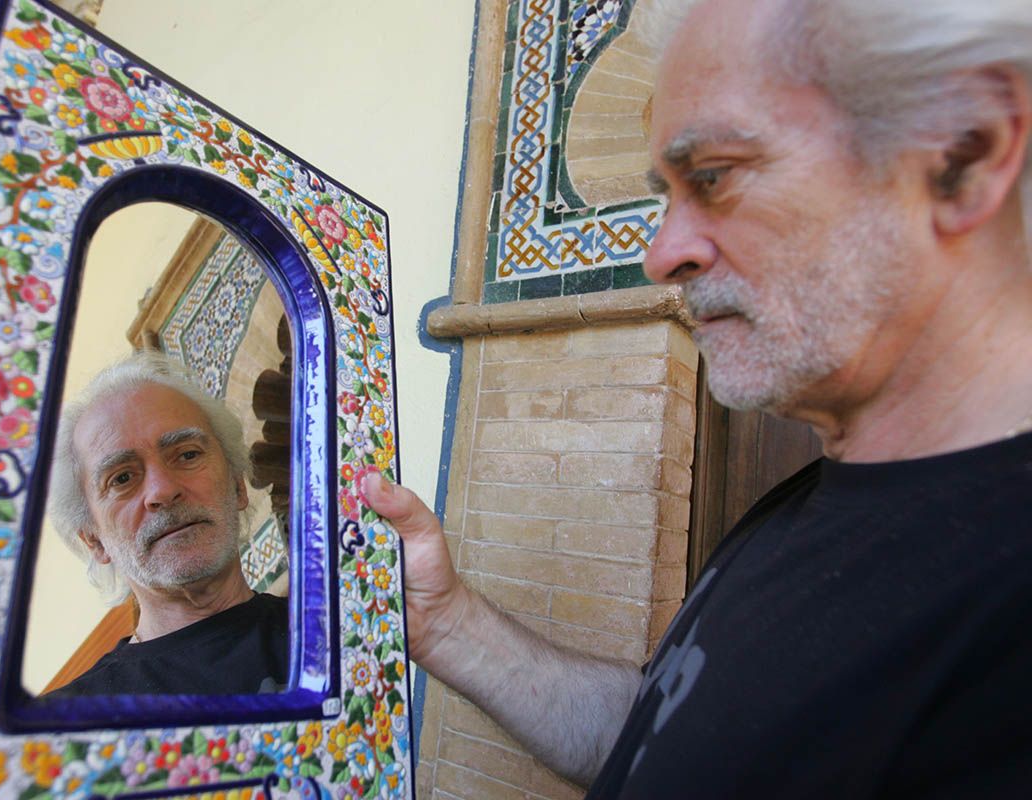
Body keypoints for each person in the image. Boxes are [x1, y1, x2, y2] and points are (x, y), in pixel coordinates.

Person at [363, 0, 1032, 795]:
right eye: (665, 196)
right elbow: (666, 738)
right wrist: (448, 624)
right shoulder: (809, 504)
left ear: (964, 150)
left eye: (712, 177)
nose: (661, 255)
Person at [46, 352, 288, 696]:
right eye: (123, 478)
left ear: (237, 485)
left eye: (187, 455)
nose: (163, 490)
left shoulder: (351, 632)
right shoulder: (67, 727)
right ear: (94, 541)